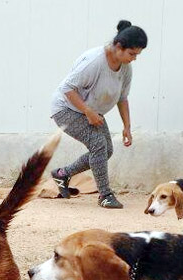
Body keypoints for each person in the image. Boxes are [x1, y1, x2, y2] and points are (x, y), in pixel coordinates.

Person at [49, 20, 147, 209]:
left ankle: (62, 174)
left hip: (92, 111)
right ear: (119, 47)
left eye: (137, 54)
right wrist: (88, 111)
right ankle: (105, 194)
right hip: (65, 109)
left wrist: (127, 127)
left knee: (106, 151)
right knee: (97, 144)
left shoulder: (126, 68)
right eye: (132, 53)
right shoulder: (94, 61)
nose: (134, 58)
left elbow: (123, 98)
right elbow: (67, 88)